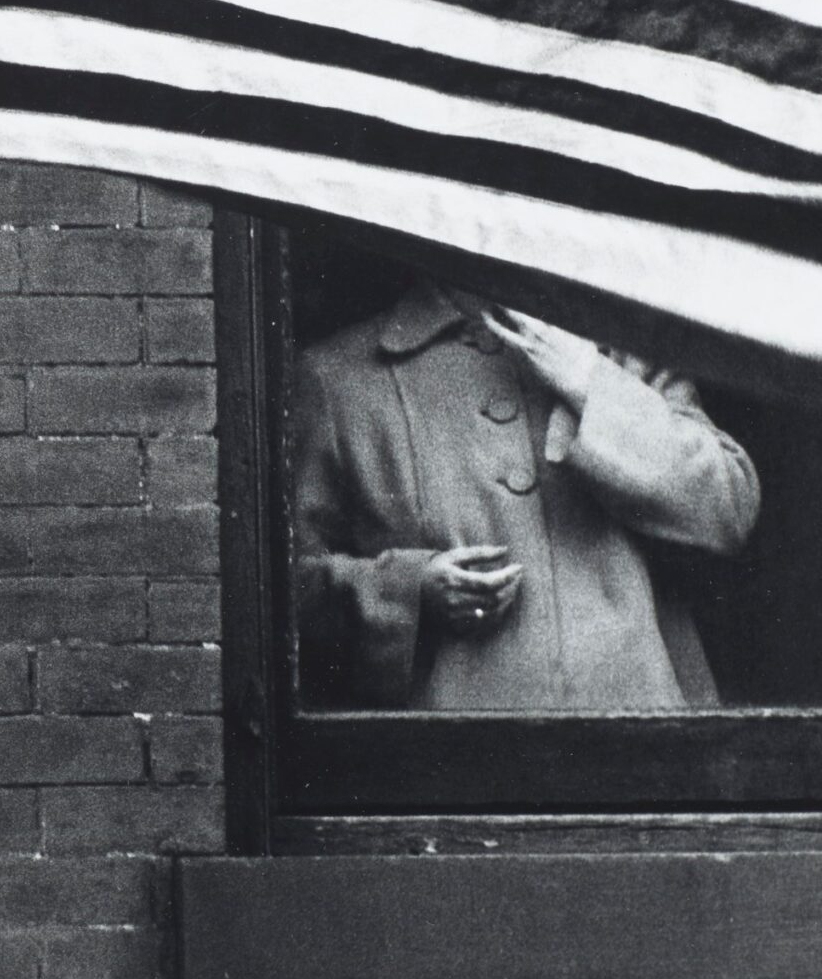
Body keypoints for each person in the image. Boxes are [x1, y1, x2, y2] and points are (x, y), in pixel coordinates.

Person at [291, 279, 760, 713]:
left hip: (641, 742)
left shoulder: (623, 347)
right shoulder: (338, 376)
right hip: (452, 754)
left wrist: (591, 383)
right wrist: (409, 590)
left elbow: (729, 507)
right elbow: (285, 589)